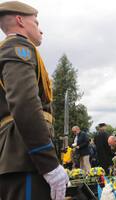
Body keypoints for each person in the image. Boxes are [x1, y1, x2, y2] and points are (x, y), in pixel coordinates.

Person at [0, 2, 69, 200]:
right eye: (36, 22)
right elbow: (24, 104)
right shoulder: (18, 47)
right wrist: (48, 163)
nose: (41, 29)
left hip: (15, 156)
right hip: (27, 158)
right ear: (20, 21)